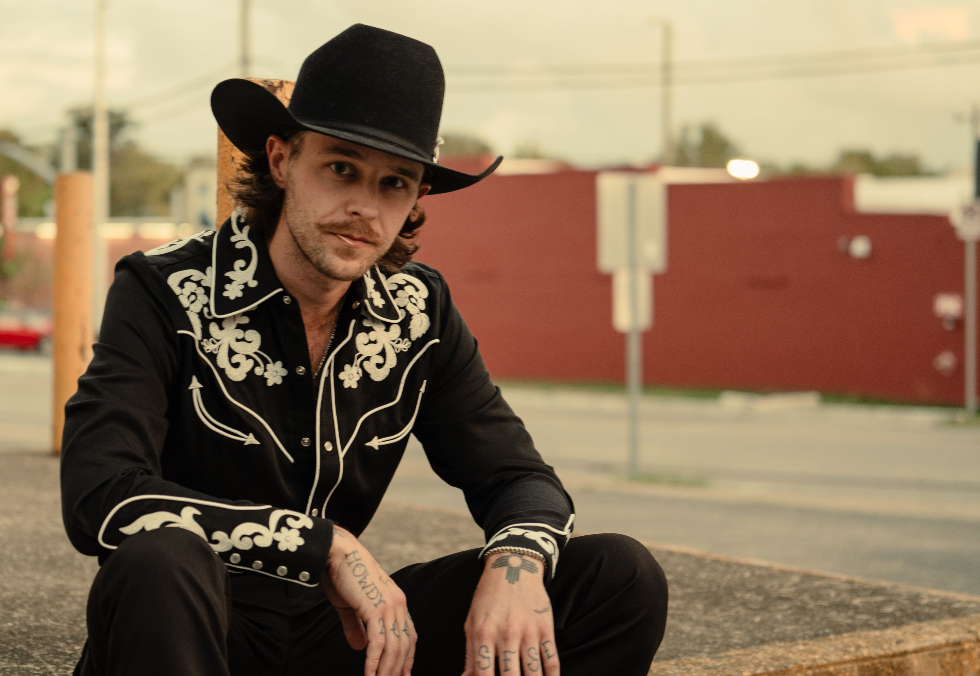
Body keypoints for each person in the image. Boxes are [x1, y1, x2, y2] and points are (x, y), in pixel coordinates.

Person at [60, 24, 667, 676]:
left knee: (618, 575)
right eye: (341, 168)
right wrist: (323, 545)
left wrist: (515, 563)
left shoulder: (417, 310)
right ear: (281, 160)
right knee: (161, 557)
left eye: (394, 183)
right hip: (192, 628)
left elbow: (517, 478)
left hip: (341, 637)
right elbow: (101, 495)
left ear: (417, 199)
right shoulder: (165, 290)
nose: (364, 208)